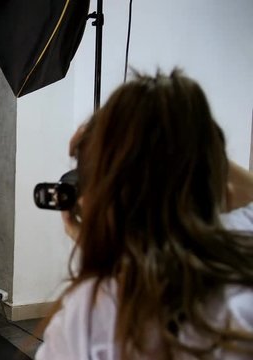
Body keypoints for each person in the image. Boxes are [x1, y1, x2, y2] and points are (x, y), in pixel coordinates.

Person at [35, 70, 253, 359]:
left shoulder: (89, 320)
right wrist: (188, 140)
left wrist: (104, 250)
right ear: (220, 187)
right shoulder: (241, 276)